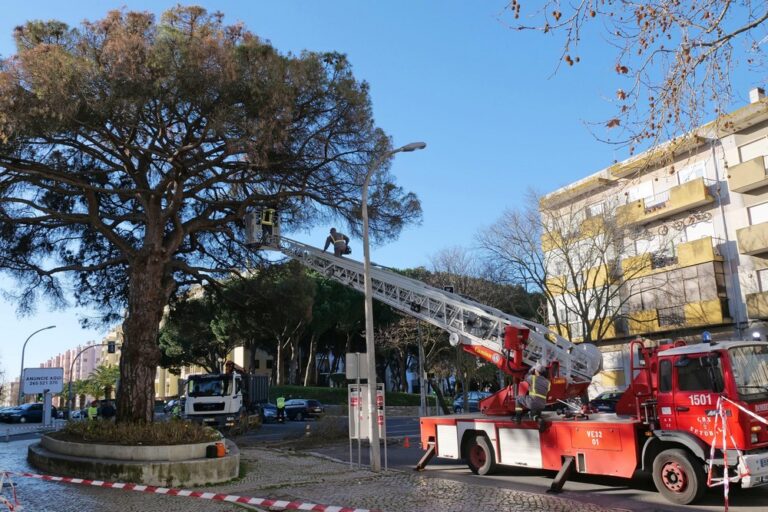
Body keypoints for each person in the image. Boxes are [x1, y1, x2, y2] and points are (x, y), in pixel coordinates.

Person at [515, 363, 550, 431]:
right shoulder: (548, 382)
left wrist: (530, 370)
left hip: (533, 402)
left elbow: (525, 377)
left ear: (536, 371)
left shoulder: (532, 378)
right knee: (532, 416)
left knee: (518, 398)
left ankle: (518, 418)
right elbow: (546, 390)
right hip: (542, 404)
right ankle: (539, 420)